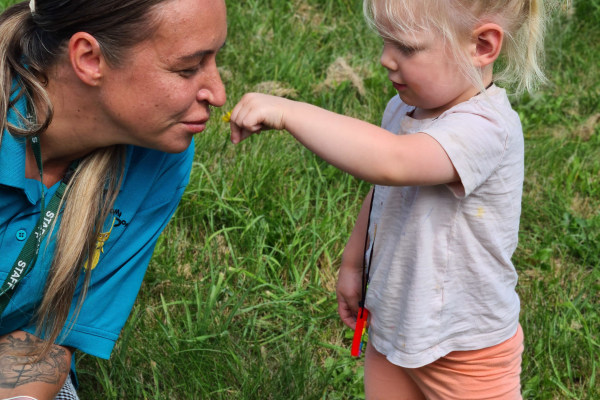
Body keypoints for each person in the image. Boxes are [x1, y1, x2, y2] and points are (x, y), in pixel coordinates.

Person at [229, 0, 554, 398]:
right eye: (385, 41)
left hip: (466, 348)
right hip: (394, 323)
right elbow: (386, 191)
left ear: (482, 46)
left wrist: (289, 112)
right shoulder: (404, 108)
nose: (386, 59)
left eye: (407, 47)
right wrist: (353, 264)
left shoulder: (486, 128)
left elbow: (392, 163)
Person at [0, 0, 227, 398]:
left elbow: (44, 342)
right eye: (188, 68)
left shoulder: (159, 156)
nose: (218, 93)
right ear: (88, 58)